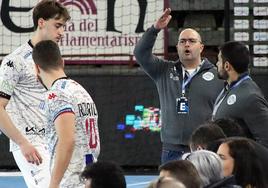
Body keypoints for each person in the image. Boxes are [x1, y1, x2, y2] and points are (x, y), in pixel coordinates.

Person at [134, 8, 223, 163]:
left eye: (191, 41)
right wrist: (155, 30)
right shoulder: (163, 70)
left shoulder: (217, 75)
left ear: (201, 47)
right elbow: (140, 53)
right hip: (171, 151)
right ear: (177, 48)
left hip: (205, 149)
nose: (187, 44)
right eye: (182, 41)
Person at [0, 1, 70, 187]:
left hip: (54, 141)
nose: (62, 32)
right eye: (58, 25)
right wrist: (22, 143)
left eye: (63, 27)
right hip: (31, 144)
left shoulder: (54, 58)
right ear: (41, 22)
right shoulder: (14, 61)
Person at [32, 40, 100, 188]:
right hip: (89, 178)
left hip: (71, 181)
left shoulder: (56, 94)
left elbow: (67, 141)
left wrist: (53, 185)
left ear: (37, 68)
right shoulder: (80, 90)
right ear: (62, 62)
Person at [213, 41, 268, 147]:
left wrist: (244, 161)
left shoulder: (250, 97)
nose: (216, 64)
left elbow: (265, 141)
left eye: (219, 60)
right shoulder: (229, 87)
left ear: (227, 66)